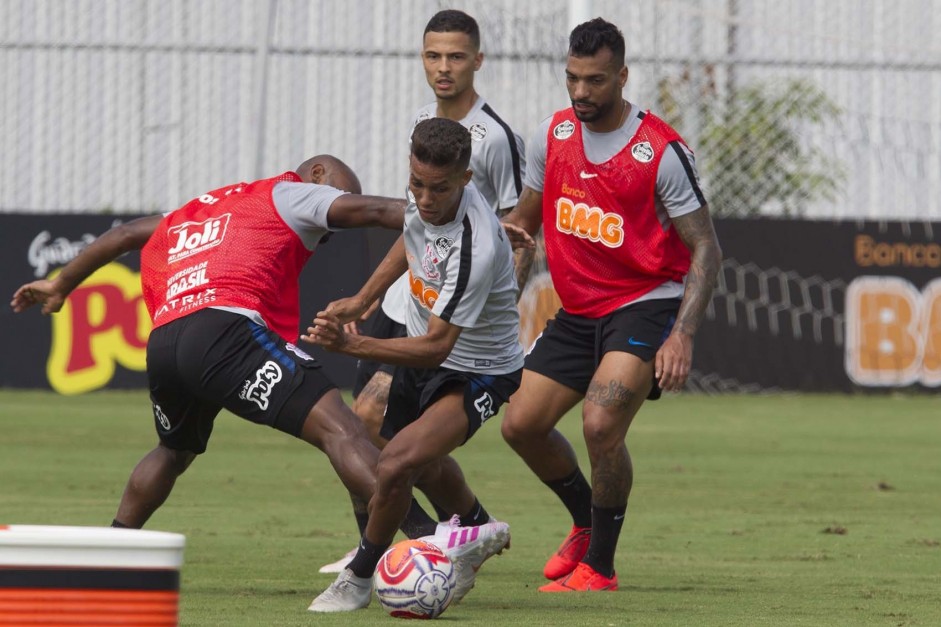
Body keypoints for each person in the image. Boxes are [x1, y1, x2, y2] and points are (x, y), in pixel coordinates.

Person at [10, 157, 504, 597]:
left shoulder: (199, 209)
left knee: (173, 450)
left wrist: (61, 284)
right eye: (337, 196)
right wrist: (466, 224)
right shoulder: (295, 192)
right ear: (317, 176)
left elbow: (123, 236)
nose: (332, 225)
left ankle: (112, 553)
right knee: (343, 429)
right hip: (225, 330)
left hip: (165, 342)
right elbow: (380, 212)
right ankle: (425, 542)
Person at [500, 18, 722, 592]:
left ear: (622, 76)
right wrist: (505, 302)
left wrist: (683, 334)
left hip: (646, 304)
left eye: (595, 80)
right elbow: (523, 229)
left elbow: (706, 247)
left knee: (600, 424)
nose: (580, 92)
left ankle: (599, 564)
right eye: (572, 78)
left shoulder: (661, 152)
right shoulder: (551, 136)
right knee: (520, 426)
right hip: (578, 311)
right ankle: (582, 516)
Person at [318, 8, 528, 575]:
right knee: (367, 428)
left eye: (456, 56)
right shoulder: (422, 129)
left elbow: (514, 234)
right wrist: (363, 300)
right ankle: (405, 543)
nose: (443, 67)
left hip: (462, 320)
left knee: (402, 445)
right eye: (433, 55)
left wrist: (498, 299)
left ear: (477, 61)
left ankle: (414, 548)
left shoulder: (496, 138)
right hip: (408, 303)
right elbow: (416, 227)